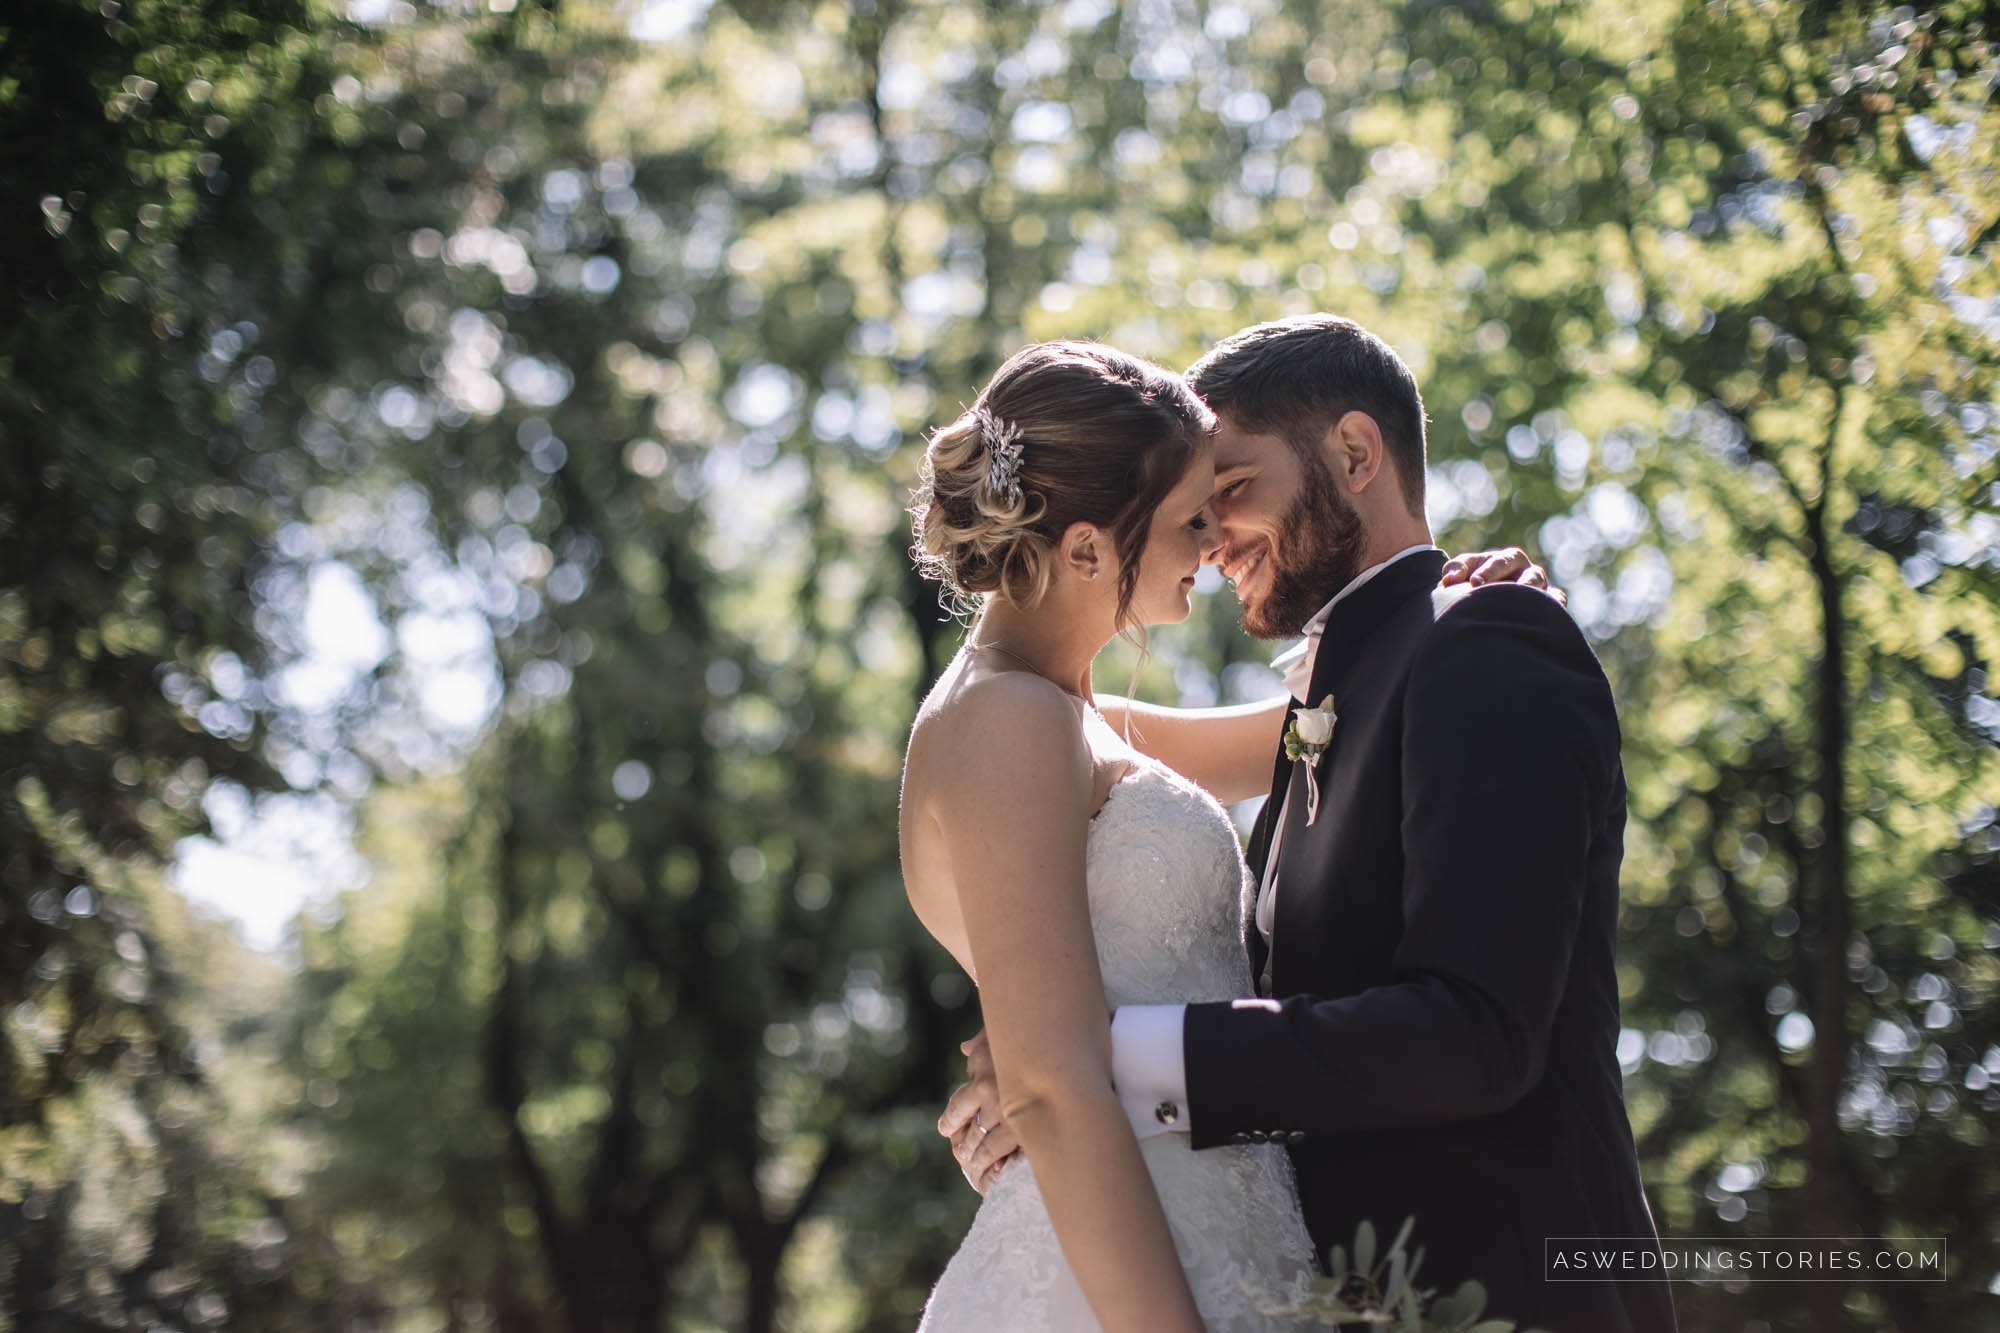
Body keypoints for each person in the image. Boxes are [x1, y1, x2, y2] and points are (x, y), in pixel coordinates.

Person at [937, 316, 1677, 1333]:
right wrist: (1039, 1061)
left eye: (1228, 490)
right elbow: (1037, 738)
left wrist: (1102, 1058)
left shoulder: (1485, 640)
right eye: (1188, 506)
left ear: (1354, 453)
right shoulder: (1329, 701)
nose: (1207, 531)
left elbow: (1476, 1033)